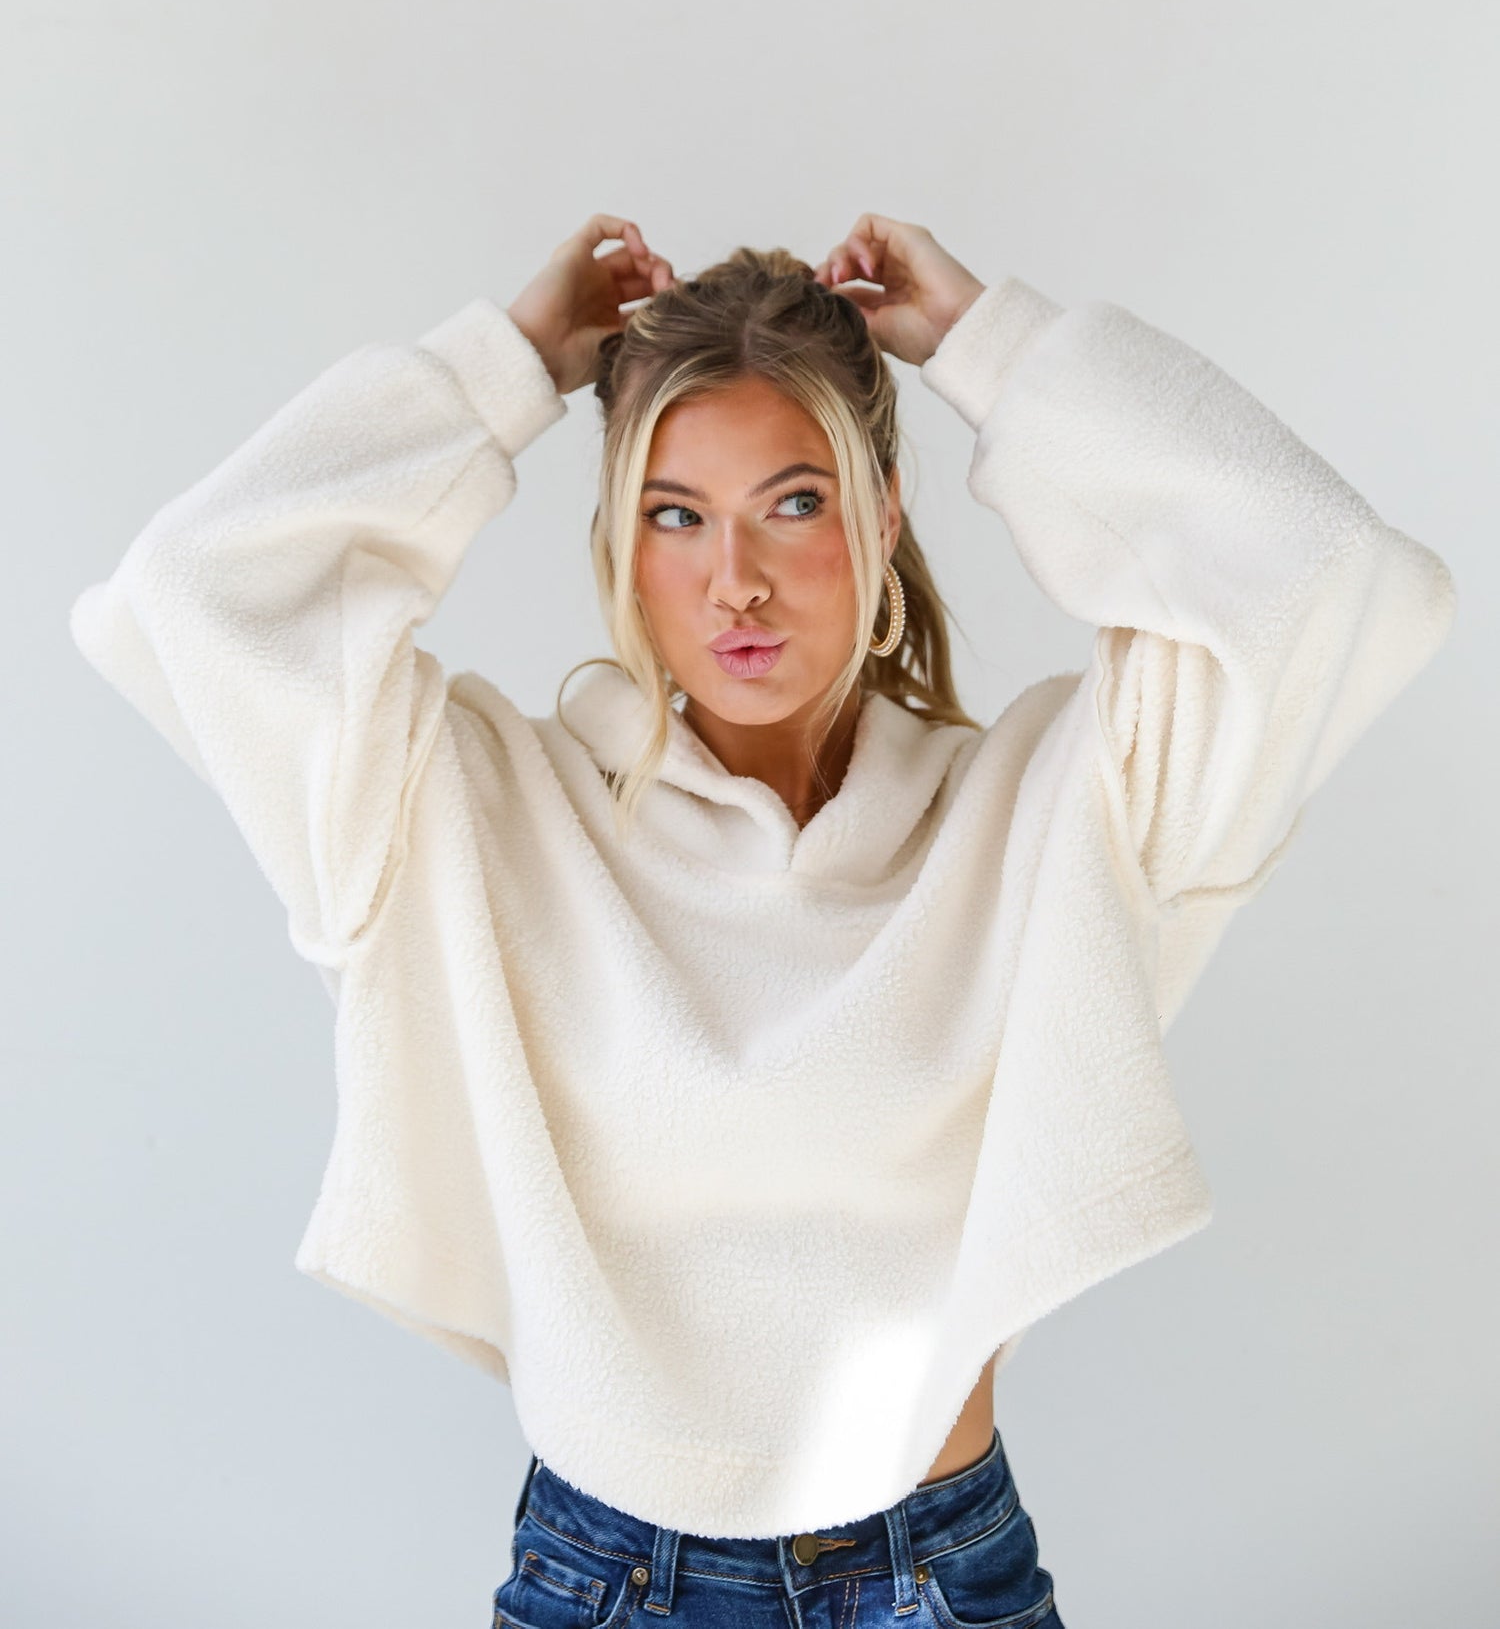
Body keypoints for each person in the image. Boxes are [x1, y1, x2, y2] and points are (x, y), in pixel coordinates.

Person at [69, 211, 1456, 1625]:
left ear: (884, 512)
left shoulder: (1054, 813)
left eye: (793, 500)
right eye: (677, 514)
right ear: (620, 536)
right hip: (605, 1580)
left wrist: (996, 346)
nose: (735, 577)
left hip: (942, 1572)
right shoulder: (468, 814)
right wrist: (506, 368)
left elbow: (1321, 576)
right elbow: (197, 595)